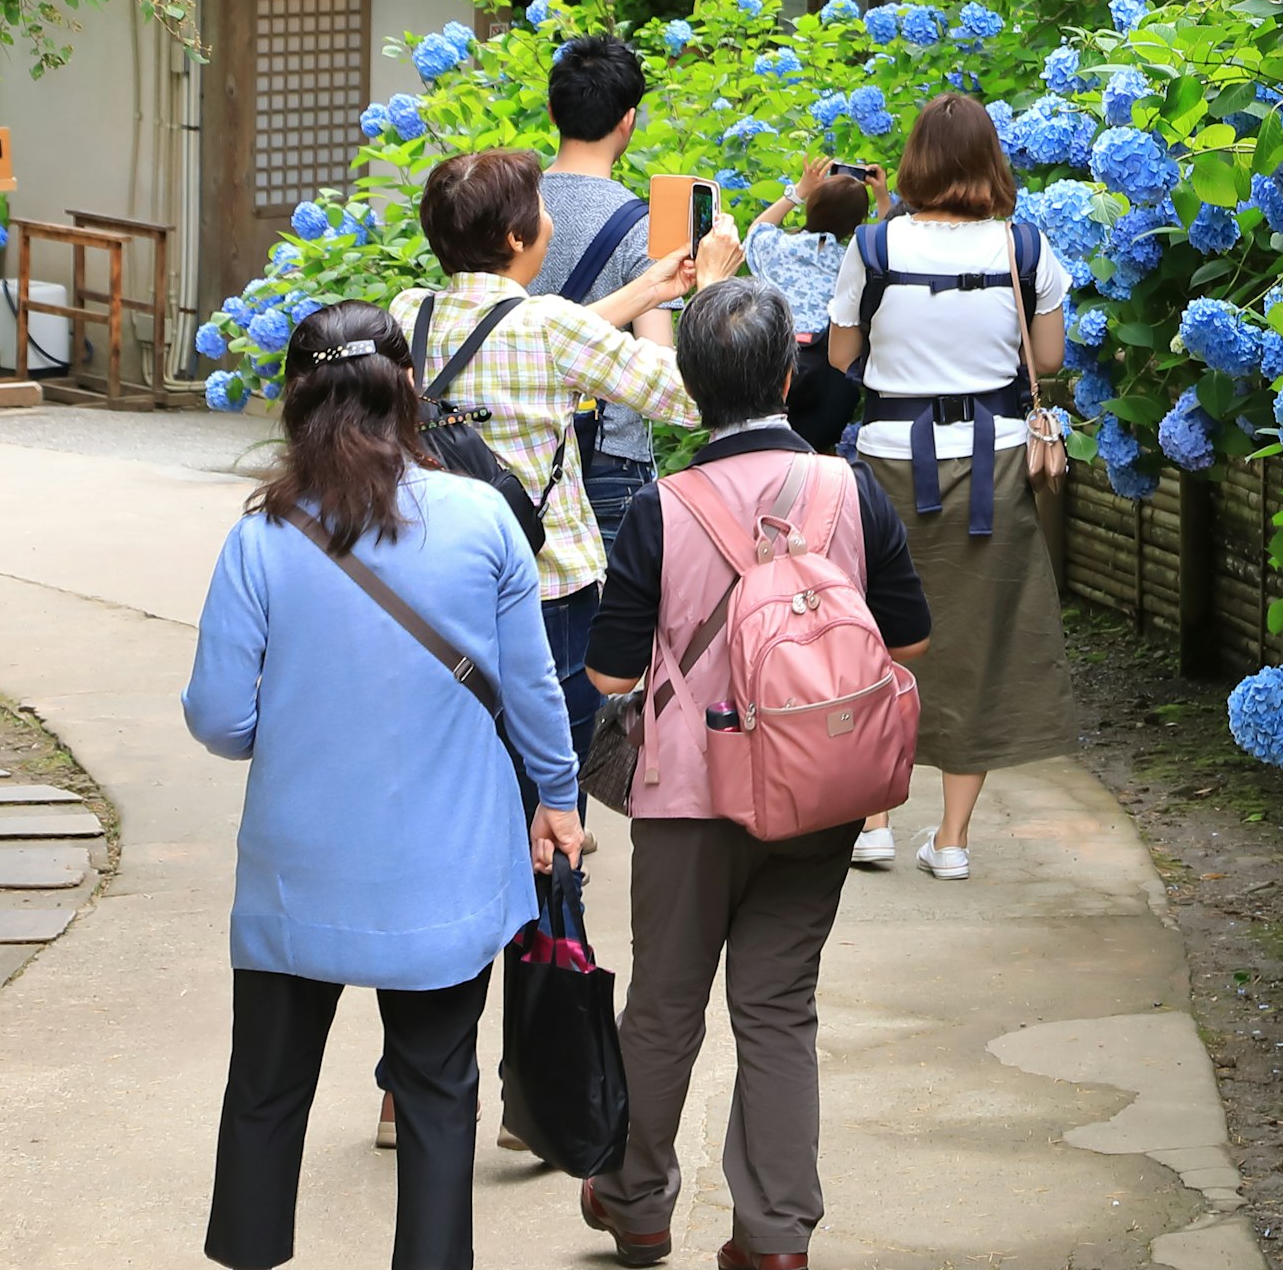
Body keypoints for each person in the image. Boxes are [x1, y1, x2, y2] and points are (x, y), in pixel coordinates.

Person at [186, 301, 587, 1270]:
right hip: (441, 878)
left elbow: (216, 716)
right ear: (409, 388)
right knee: (438, 1096)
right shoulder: (482, 517)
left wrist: (286, 729)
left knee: (266, 1091)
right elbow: (532, 689)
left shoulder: (261, 537)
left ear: (295, 399)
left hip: (296, 878)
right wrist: (558, 796)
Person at [573, 278, 934, 1270]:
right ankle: (775, 1238)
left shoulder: (661, 504)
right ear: (788, 373)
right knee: (778, 1009)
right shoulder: (849, 489)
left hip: (687, 796)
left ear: (688, 387)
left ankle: (638, 1205)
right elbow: (908, 638)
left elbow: (609, 670)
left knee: (664, 1006)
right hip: (814, 793)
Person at [390, 147, 734, 1156]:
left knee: (449, 822)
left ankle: (399, 1080)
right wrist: (706, 290)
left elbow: (524, 337)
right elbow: (688, 395)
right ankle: (541, 1081)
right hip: (545, 605)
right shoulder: (547, 329)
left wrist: (640, 288)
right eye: (538, 211)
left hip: (427, 605)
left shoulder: (406, 313)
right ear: (516, 238)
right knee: (552, 823)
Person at [822, 93, 1078, 879]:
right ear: (990, 158)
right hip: (995, 461)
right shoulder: (1024, 247)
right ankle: (956, 841)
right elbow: (1049, 360)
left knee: (873, 638)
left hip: (889, 461)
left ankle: (873, 823)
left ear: (916, 161)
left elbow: (838, 358)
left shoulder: (873, 245)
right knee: (982, 639)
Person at [532, 33, 668, 547]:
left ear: (552, 111)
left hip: (512, 448)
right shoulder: (641, 227)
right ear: (628, 120)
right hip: (607, 455)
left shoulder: (509, 207)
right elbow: (656, 365)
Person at [743, 157, 874, 453]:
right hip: (826, 392)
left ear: (812, 207)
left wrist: (799, 191)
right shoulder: (855, 263)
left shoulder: (775, 248)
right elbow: (890, 256)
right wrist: (880, 197)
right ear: (857, 225)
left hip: (773, 375)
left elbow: (756, 230)